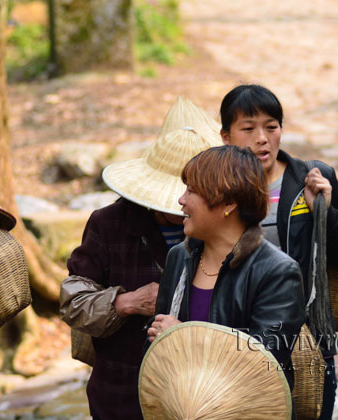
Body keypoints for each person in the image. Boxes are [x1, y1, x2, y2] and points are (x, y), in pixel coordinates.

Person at [60, 97, 223, 420]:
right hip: (124, 392)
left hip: (204, 391)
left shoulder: (223, 225)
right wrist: (126, 301)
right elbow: (72, 301)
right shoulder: (109, 224)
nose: (183, 203)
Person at [219, 84, 338, 419]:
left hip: (307, 335)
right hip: (239, 336)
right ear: (226, 136)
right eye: (248, 129)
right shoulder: (218, 187)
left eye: (271, 127)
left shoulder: (311, 178)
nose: (262, 138)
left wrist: (324, 212)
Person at [147, 145, 305, 392]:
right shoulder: (180, 256)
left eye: (191, 191)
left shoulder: (277, 272)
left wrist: (183, 339)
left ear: (228, 202)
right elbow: (158, 335)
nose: (181, 200)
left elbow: (263, 361)